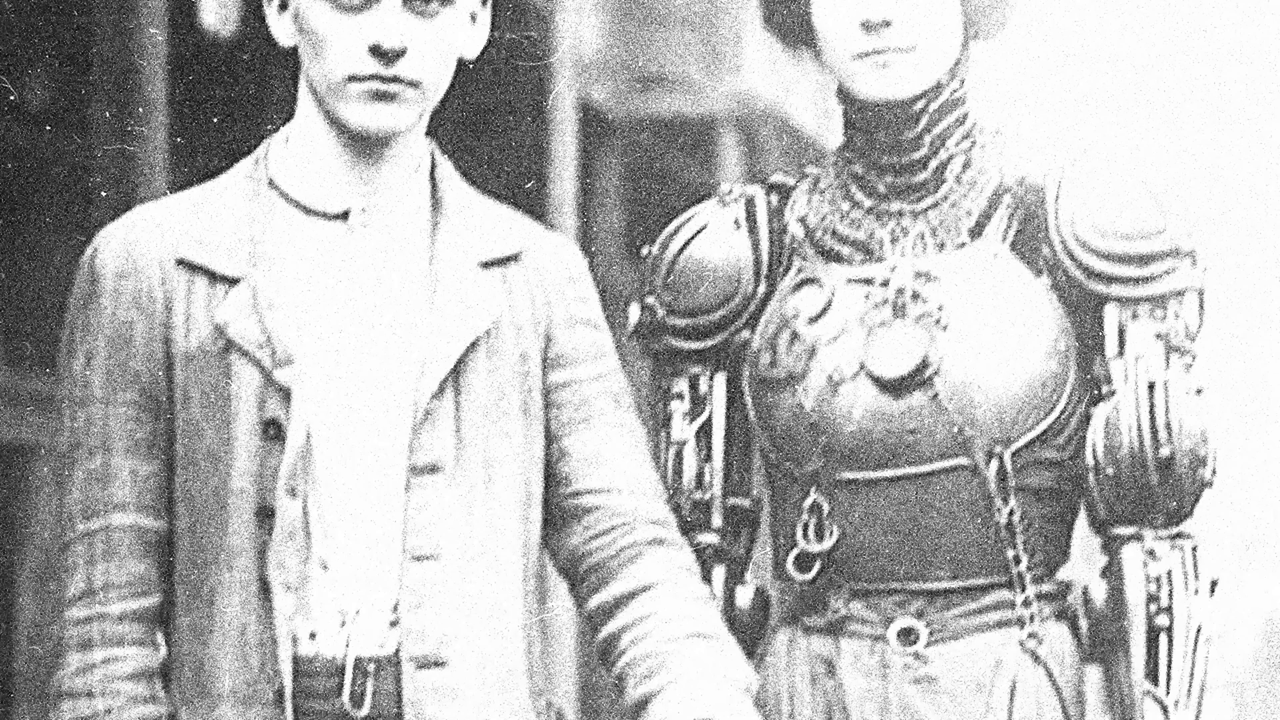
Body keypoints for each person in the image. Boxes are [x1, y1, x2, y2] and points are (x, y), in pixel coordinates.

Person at [52, 1, 763, 719]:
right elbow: (105, 644)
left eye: (425, 4)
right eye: (351, 0)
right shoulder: (152, 267)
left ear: (474, 21)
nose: (389, 38)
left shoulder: (534, 280)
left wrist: (701, 697)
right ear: (281, 10)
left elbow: (634, 563)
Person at [630, 0, 1217, 718]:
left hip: (1012, 690)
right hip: (813, 692)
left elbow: (1155, 556)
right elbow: (695, 577)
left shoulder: (1074, 231)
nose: (876, 16)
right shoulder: (744, 255)